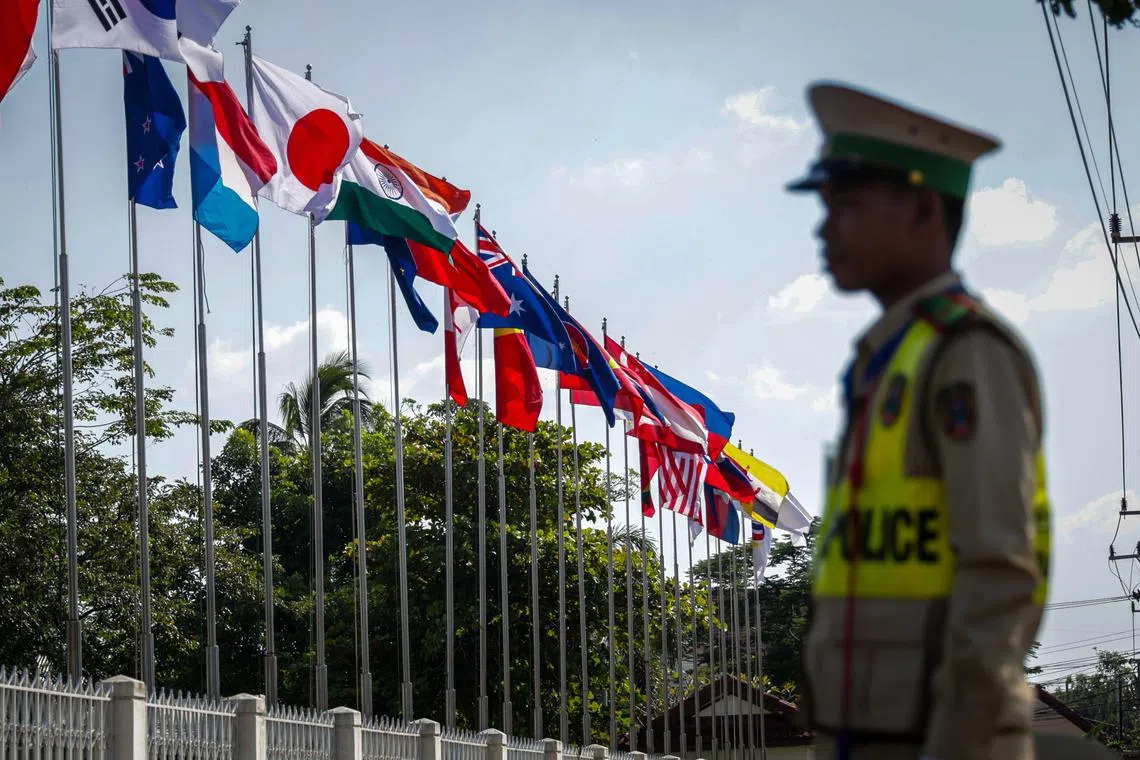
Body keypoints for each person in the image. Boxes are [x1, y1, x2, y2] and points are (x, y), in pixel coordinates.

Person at [786, 82, 1052, 760]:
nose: (823, 228)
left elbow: (998, 574)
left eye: (844, 205)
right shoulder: (890, 357)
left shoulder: (963, 351)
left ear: (924, 209)